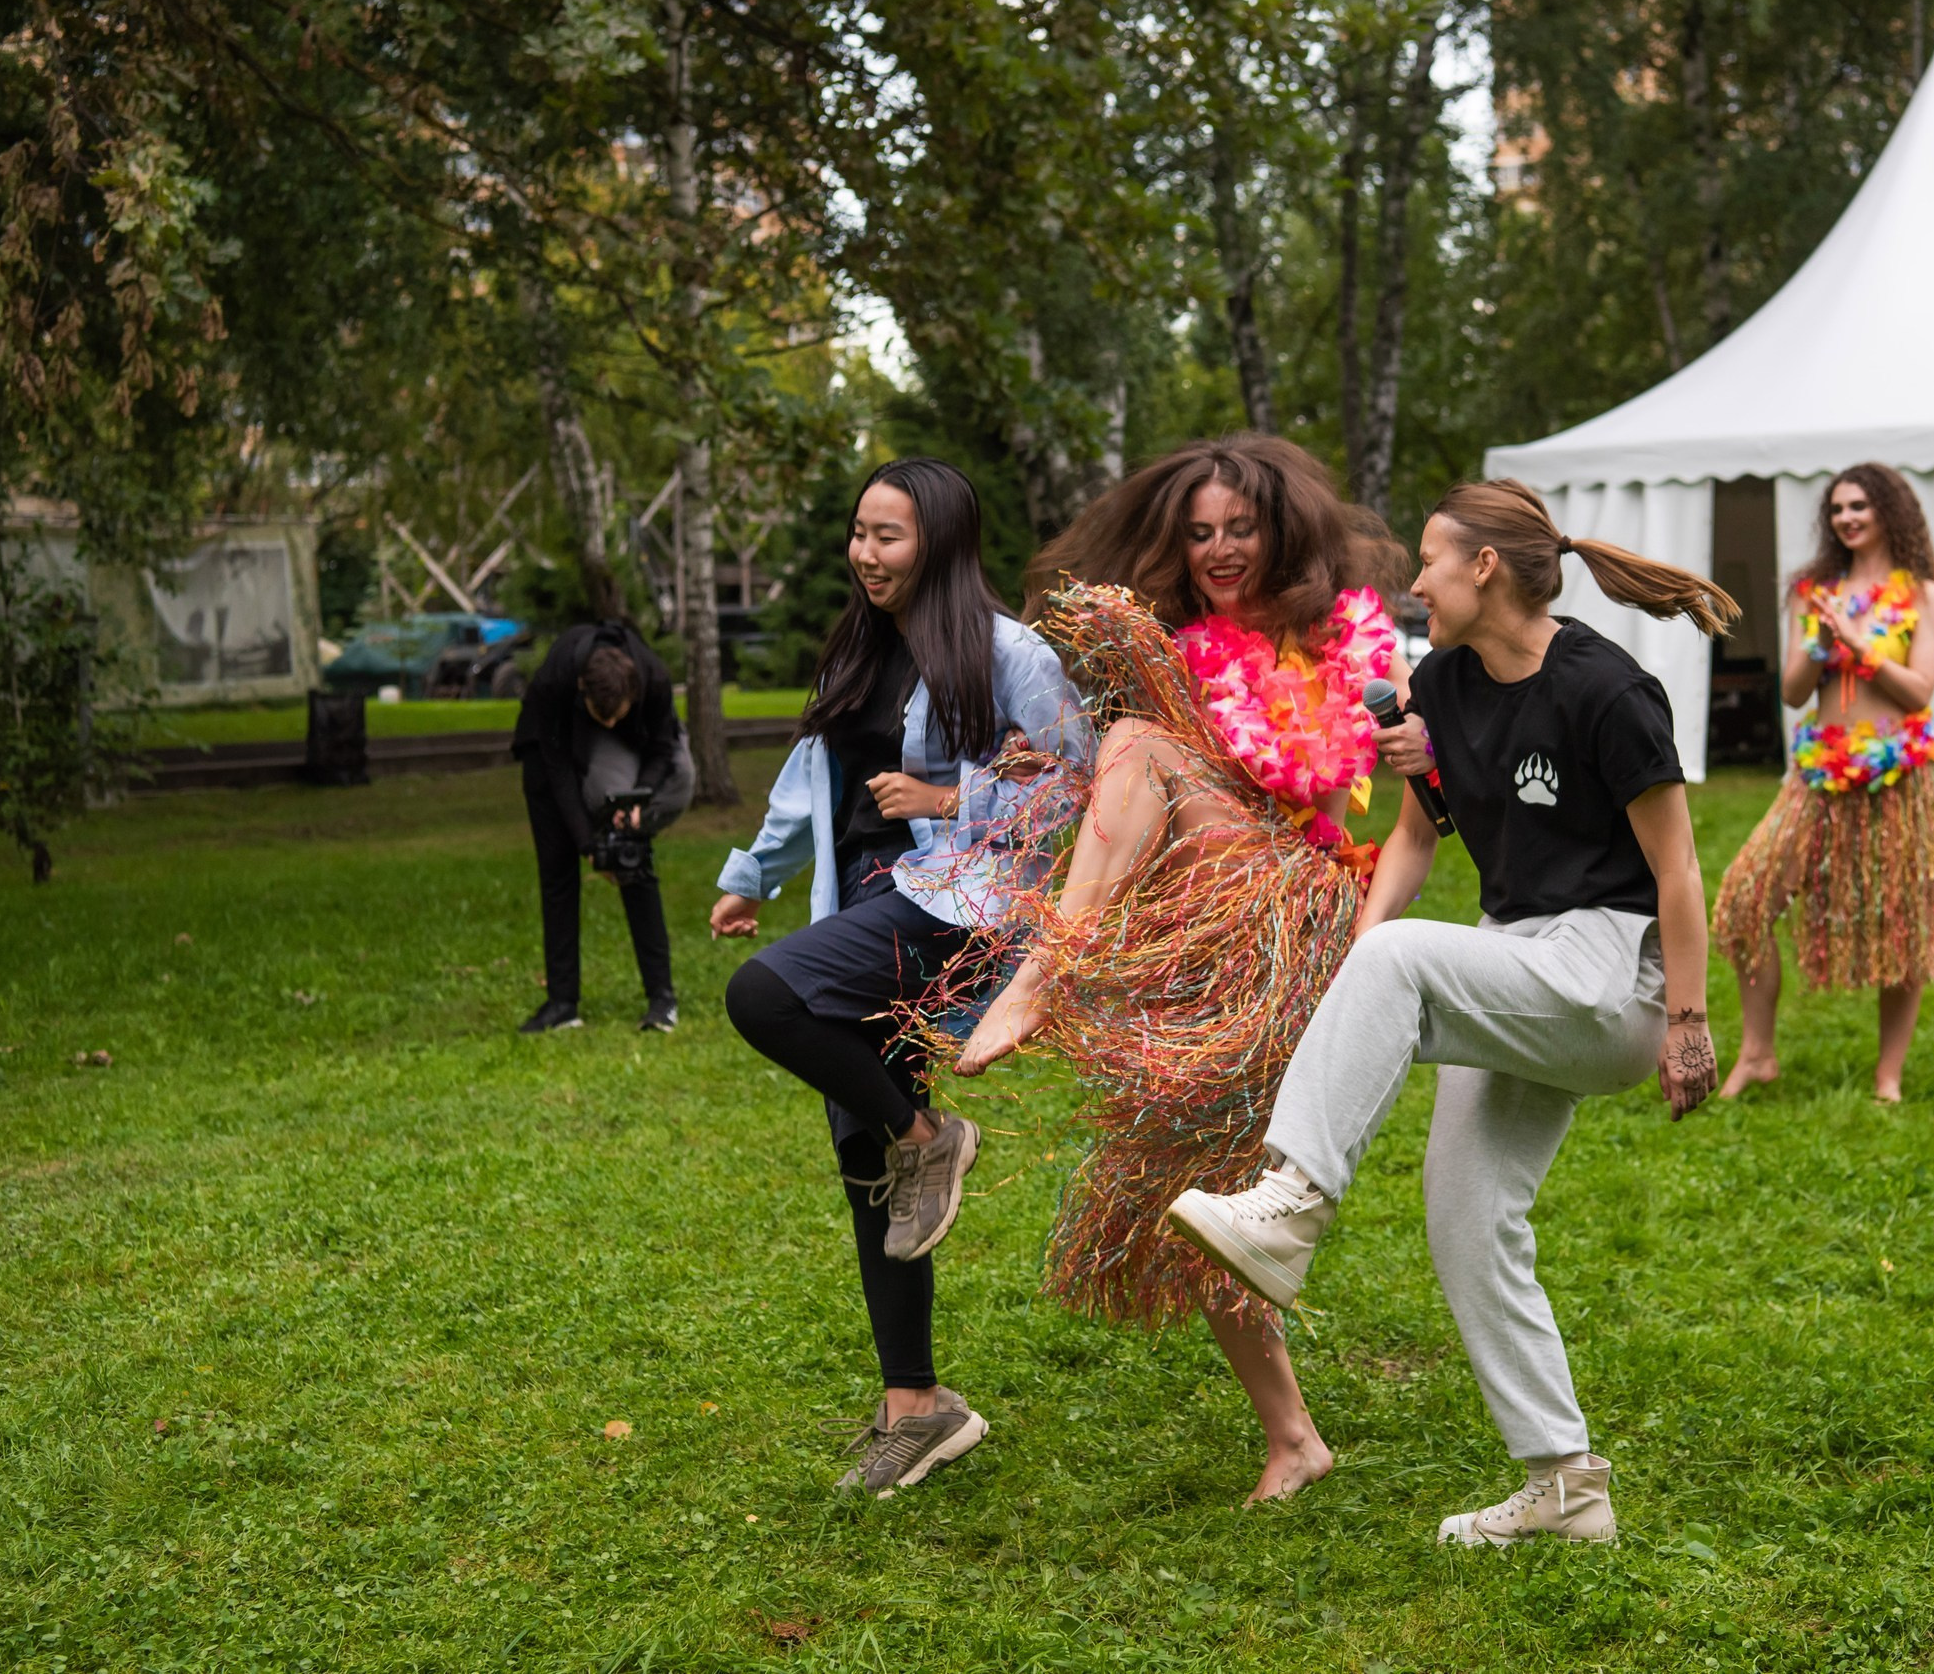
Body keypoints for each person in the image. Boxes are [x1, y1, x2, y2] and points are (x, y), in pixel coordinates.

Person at [1165, 479, 1734, 1546]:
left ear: (1485, 567)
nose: (1415, 581)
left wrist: (1689, 1022)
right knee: (1466, 1213)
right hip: (1516, 959)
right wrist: (1358, 958)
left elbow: (1680, 870)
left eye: (1430, 559)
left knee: (1405, 961)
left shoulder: (1608, 689)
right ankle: (1566, 1484)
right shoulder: (1439, 685)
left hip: (1612, 976)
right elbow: (1418, 837)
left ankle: (1289, 1206)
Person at [946, 434, 1409, 1504]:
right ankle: (1293, 1436)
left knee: (1139, 745)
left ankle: (1041, 974)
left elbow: (1330, 781)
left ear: (1280, 528)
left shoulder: (1347, 640)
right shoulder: (1180, 651)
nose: (1219, 549)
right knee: (1197, 1186)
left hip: (1296, 895)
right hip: (1207, 922)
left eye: (1239, 528)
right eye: (1199, 533)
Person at [709, 457, 1089, 1498]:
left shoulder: (1007, 651)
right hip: (865, 903)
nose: (866, 554)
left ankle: (932, 1137)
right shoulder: (860, 645)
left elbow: (1079, 781)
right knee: (866, 1159)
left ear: (942, 541)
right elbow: (811, 777)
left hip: (951, 904)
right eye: (860, 532)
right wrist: (752, 875)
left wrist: (948, 796)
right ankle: (916, 1404)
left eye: (889, 536)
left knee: (762, 995)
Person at [1711, 463, 1934, 1104]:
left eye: (1859, 506)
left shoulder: (1924, 595)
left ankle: (1887, 1077)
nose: (1846, 518)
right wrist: (1821, 643)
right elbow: (1794, 693)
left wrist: (1861, 644)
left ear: (1890, 512)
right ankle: (1758, 1054)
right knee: (1746, 901)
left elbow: (1919, 692)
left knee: (1900, 922)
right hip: (1818, 776)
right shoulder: (1812, 592)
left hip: (1898, 776)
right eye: (1838, 509)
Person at [509, 618, 696, 1033]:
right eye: (602, 716)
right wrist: (588, 845)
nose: (609, 723)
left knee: (631, 856)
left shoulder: (653, 678)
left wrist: (637, 801)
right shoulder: (557, 677)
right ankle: (562, 1003)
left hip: (634, 746)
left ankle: (662, 1000)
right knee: (557, 869)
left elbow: (662, 748)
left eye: (617, 715)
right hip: (548, 747)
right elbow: (557, 768)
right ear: (582, 689)